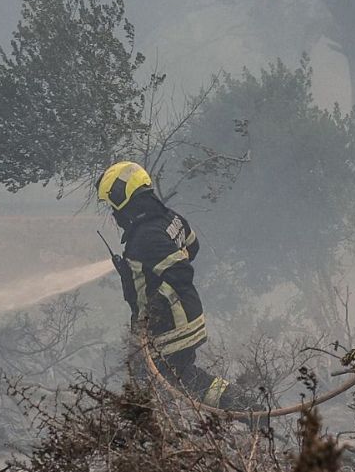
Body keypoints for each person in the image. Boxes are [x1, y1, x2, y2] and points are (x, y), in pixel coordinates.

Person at [97, 160, 255, 411]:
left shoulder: (145, 238)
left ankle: (239, 407)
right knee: (179, 378)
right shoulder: (170, 218)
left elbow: (180, 271)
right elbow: (192, 247)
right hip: (186, 315)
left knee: (156, 383)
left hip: (170, 325)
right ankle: (237, 406)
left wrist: (155, 306)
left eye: (113, 205)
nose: (114, 214)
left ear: (125, 200)